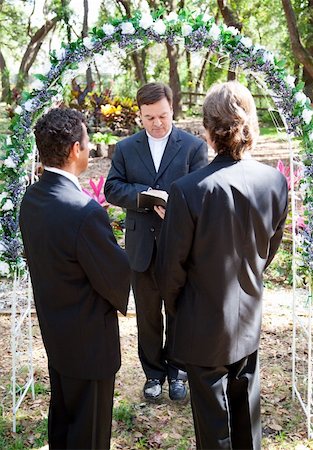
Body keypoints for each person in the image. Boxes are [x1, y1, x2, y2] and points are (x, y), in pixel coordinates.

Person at [155, 81, 288, 449]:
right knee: (247, 413)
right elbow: (268, 249)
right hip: (248, 313)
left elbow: (170, 270)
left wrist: (175, 305)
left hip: (202, 320)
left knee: (214, 424)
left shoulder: (187, 190)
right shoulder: (274, 181)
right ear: (251, 126)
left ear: (209, 132)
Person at [19, 108, 130, 450]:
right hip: (89, 342)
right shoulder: (84, 211)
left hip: (56, 333)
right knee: (90, 433)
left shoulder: (31, 199)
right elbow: (115, 277)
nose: (90, 145)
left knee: (63, 421)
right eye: (86, 140)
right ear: (73, 151)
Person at [104, 82, 208, 402]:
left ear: (172, 110)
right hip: (141, 249)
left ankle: (177, 372)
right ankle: (153, 374)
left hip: (180, 247)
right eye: (149, 117)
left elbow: (203, 189)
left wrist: (176, 206)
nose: (157, 123)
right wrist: (143, 198)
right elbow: (112, 189)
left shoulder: (194, 146)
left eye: (162, 115)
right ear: (140, 115)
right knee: (148, 316)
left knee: (178, 312)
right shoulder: (125, 148)